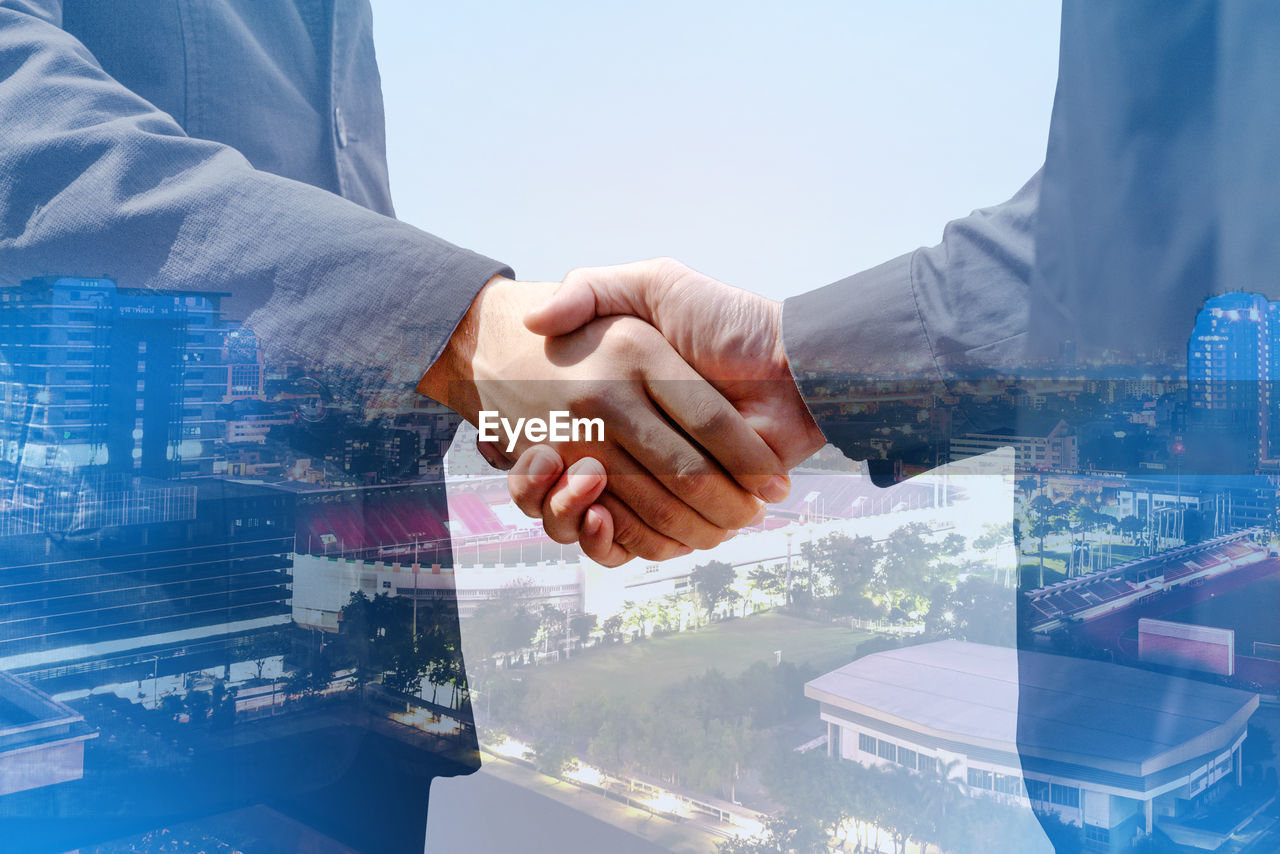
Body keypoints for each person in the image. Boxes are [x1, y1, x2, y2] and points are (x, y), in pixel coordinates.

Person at [0, 2, 788, 851]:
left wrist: (485, 382)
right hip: (115, 667)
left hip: (362, 682)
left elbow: (327, 233)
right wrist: (465, 335)